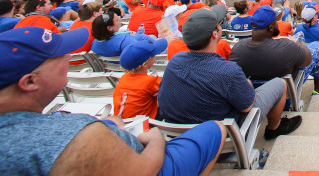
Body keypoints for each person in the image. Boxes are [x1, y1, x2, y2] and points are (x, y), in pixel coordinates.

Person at [0, 26, 226, 176]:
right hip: (149, 158)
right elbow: (143, 171)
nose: (68, 56)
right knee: (216, 128)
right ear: (29, 81)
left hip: (119, 131)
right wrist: (156, 140)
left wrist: (108, 124)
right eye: (58, 56)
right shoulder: (73, 136)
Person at [158, 5, 300, 141]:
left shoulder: (175, 62)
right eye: (218, 25)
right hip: (220, 142)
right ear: (215, 33)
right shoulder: (228, 70)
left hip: (179, 139)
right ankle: (274, 128)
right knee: (280, 83)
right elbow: (247, 105)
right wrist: (247, 85)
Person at [229, 6, 319, 104]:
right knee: (318, 46)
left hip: (254, 93)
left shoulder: (237, 49)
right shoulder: (286, 46)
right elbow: (308, 59)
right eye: (275, 23)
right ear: (271, 27)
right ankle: (318, 90)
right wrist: (295, 42)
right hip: (286, 92)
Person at [114, 38, 168, 119]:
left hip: (121, 123)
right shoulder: (151, 81)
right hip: (142, 125)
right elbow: (169, 94)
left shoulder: (123, 78)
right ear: (145, 64)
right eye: (154, 55)